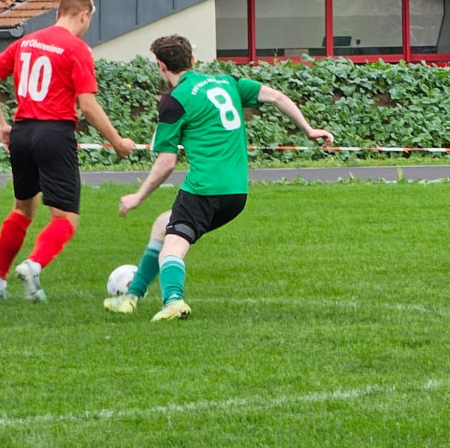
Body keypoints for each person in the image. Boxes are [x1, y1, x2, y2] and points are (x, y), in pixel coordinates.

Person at [104, 34, 333, 322]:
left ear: (161, 66)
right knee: (163, 224)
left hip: (204, 190)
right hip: (236, 194)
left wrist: (138, 197)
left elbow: (166, 161)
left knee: (173, 247)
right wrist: (308, 129)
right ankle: (131, 297)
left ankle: (173, 301)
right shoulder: (227, 82)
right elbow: (276, 96)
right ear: (192, 60)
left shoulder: (175, 100)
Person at [0, 0, 136, 302]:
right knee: (65, 218)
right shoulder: (77, 48)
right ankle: (33, 265)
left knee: (22, 209)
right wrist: (118, 142)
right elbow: (88, 105)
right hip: (54, 134)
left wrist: (0, 125)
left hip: (22, 132)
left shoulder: (27, 42)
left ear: (58, 13)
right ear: (84, 16)